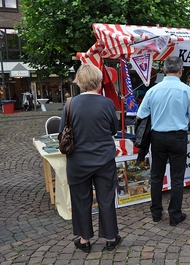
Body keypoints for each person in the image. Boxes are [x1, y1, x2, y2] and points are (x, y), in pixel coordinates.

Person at [59, 64, 121, 253]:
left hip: (78, 161)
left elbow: (62, 131)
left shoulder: (70, 104)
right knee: (106, 199)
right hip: (104, 159)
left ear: (79, 82)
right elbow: (114, 129)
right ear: (99, 80)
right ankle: (110, 237)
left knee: (81, 200)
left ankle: (85, 239)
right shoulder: (107, 103)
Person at [137, 56, 190, 226]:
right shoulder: (187, 90)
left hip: (157, 137)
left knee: (157, 176)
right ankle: (175, 215)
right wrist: (182, 118)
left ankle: (156, 213)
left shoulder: (153, 90)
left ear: (164, 70)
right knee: (177, 178)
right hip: (178, 137)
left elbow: (140, 115)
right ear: (180, 70)